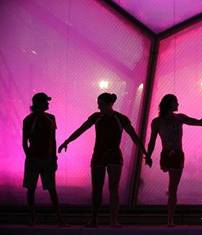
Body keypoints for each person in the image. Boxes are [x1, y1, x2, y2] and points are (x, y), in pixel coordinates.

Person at [58, 93, 149, 227]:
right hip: (101, 155)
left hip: (111, 156)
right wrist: (67, 141)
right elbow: (81, 130)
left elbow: (134, 136)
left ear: (108, 104)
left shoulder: (120, 118)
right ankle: (96, 219)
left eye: (100, 103)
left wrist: (145, 152)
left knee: (112, 188)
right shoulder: (98, 117)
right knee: (98, 188)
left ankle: (112, 220)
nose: (98, 106)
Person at [147, 94, 202, 226]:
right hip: (168, 154)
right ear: (169, 104)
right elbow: (152, 141)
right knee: (172, 187)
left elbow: (200, 123)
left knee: (173, 188)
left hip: (176, 154)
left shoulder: (178, 118)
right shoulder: (158, 121)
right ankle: (170, 215)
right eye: (176, 102)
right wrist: (148, 155)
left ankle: (170, 218)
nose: (178, 104)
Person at [22, 92, 67, 226]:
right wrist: (52, 158)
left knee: (33, 189)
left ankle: (35, 219)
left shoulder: (34, 119)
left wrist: (53, 158)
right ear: (39, 103)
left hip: (41, 159)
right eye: (46, 102)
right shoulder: (42, 119)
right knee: (47, 189)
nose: (48, 104)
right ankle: (58, 219)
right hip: (41, 159)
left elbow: (26, 142)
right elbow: (50, 140)